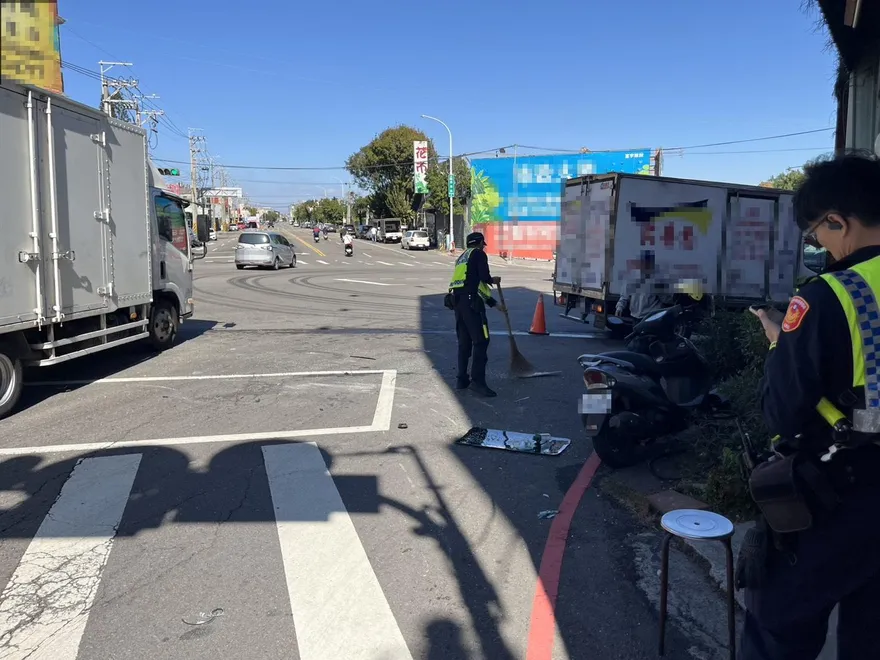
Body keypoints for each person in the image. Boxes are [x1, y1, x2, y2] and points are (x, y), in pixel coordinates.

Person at [744, 153, 880, 660]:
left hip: (839, 499)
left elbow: (782, 411)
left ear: (838, 221)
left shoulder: (829, 296)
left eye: (816, 233)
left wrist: (782, 346)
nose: (818, 246)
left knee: (777, 630)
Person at [448, 232, 505, 397]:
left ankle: (462, 379)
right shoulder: (479, 254)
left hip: (458, 303)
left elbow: (473, 285)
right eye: (482, 244)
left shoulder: (462, 258)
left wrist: (494, 304)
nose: (483, 247)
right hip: (472, 305)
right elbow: (484, 277)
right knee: (481, 341)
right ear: (479, 243)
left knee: (464, 342)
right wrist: (493, 280)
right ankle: (477, 382)